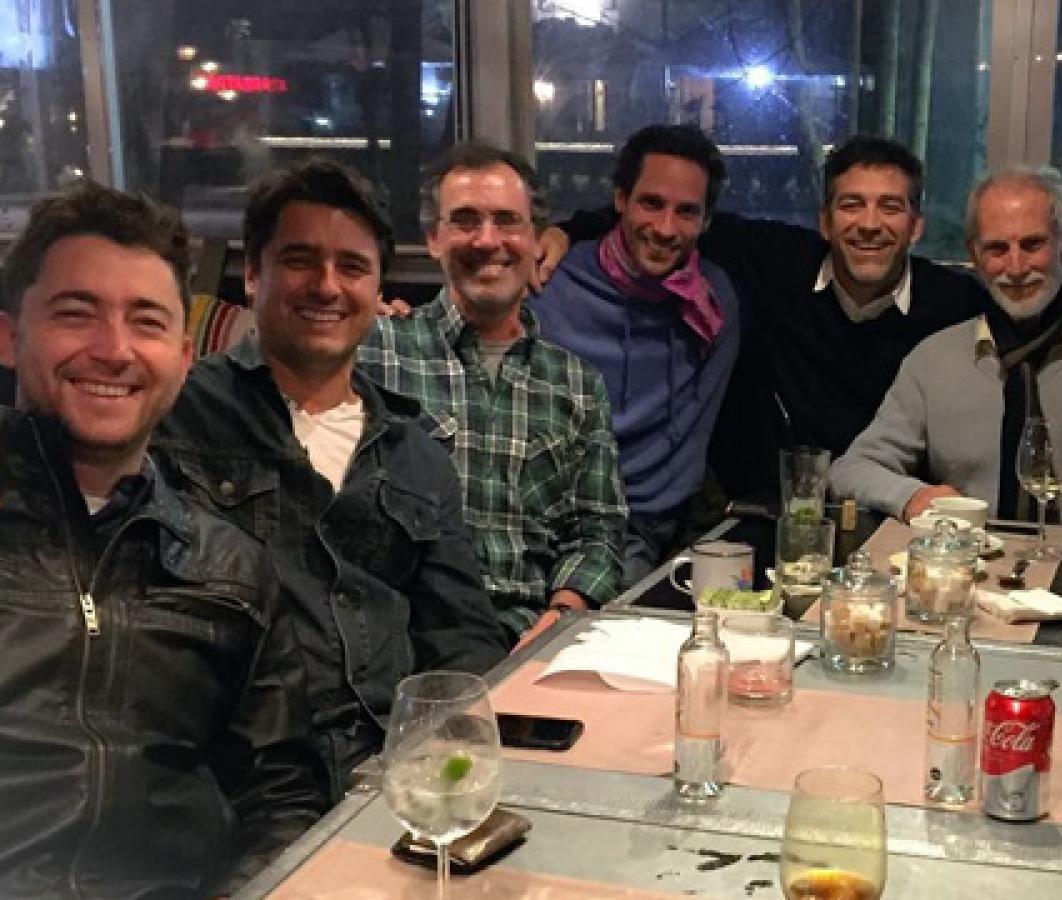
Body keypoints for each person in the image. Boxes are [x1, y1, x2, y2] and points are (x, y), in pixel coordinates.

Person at [546, 134, 1062, 502]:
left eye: (890, 208)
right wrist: (563, 232)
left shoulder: (954, 301)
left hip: (894, 523)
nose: (870, 224)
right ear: (824, 221)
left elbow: (1028, 288)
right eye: (851, 206)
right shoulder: (771, 263)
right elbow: (668, 218)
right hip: (769, 516)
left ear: (916, 226)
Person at [0, 183, 325, 894]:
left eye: (145, 322)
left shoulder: (230, 568)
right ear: (8, 336)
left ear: (182, 358)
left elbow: (280, 802)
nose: (114, 350)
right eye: (76, 313)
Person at [153, 158, 508, 793]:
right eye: (299, 260)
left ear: (377, 289)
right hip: (239, 782)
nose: (326, 286)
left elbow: (461, 637)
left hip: (396, 776)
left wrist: (462, 764)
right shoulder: (176, 415)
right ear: (253, 274)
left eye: (352, 267)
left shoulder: (415, 451)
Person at [359, 143, 627, 635]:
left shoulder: (576, 383)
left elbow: (597, 533)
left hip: (532, 638)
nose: (487, 240)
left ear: (535, 239)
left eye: (507, 221)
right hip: (405, 639)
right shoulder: (374, 351)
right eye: (465, 221)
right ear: (433, 239)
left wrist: (557, 622)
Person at [831, 165, 1062, 527]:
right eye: (997, 249)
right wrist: (911, 497)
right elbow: (852, 469)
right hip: (969, 560)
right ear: (975, 256)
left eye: (1033, 245)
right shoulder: (934, 361)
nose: (1016, 267)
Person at [535, 124, 741, 582]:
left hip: (675, 524)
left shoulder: (714, 301)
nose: (666, 228)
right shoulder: (549, 283)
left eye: (686, 212)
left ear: (707, 222)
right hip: (571, 521)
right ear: (620, 200)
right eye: (651, 204)